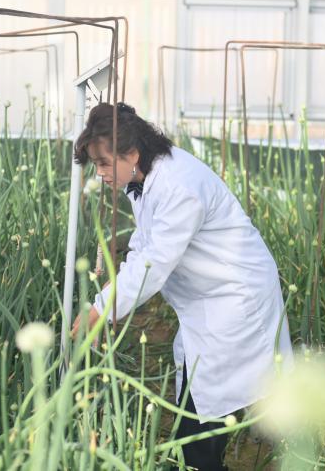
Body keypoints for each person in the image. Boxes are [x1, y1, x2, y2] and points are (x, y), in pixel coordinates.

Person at [70, 101, 294, 471]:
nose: (101, 174)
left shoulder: (179, 186)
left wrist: (100, 309)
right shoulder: (149, 177)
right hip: (211, 301)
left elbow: (153, 264)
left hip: (234, 298)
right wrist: (107, 302)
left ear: (132, 153)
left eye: (104, 163)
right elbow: (144, 246)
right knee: (201, 401)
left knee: (201, 419)